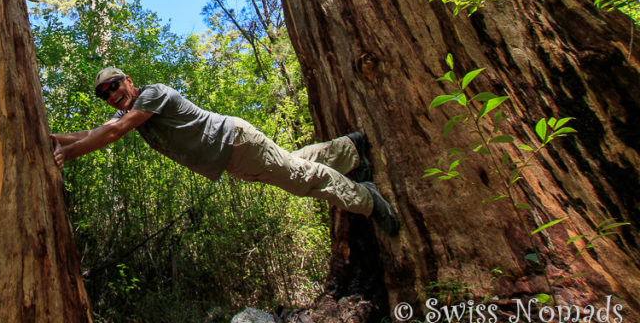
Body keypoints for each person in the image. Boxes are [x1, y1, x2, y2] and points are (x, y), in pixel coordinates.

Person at [50, 67, 399, 236]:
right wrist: (52, 138)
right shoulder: (125, 112)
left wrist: (69, 154)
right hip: (232, 158)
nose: (112, 96)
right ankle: (351, 147)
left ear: (127, 80)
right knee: (295, 163)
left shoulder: (151, 95)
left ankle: (365, 199)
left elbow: (112, 132)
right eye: (105, 94)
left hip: (234, 142)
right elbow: (94, 132)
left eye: (114, 87)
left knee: (299, 178)